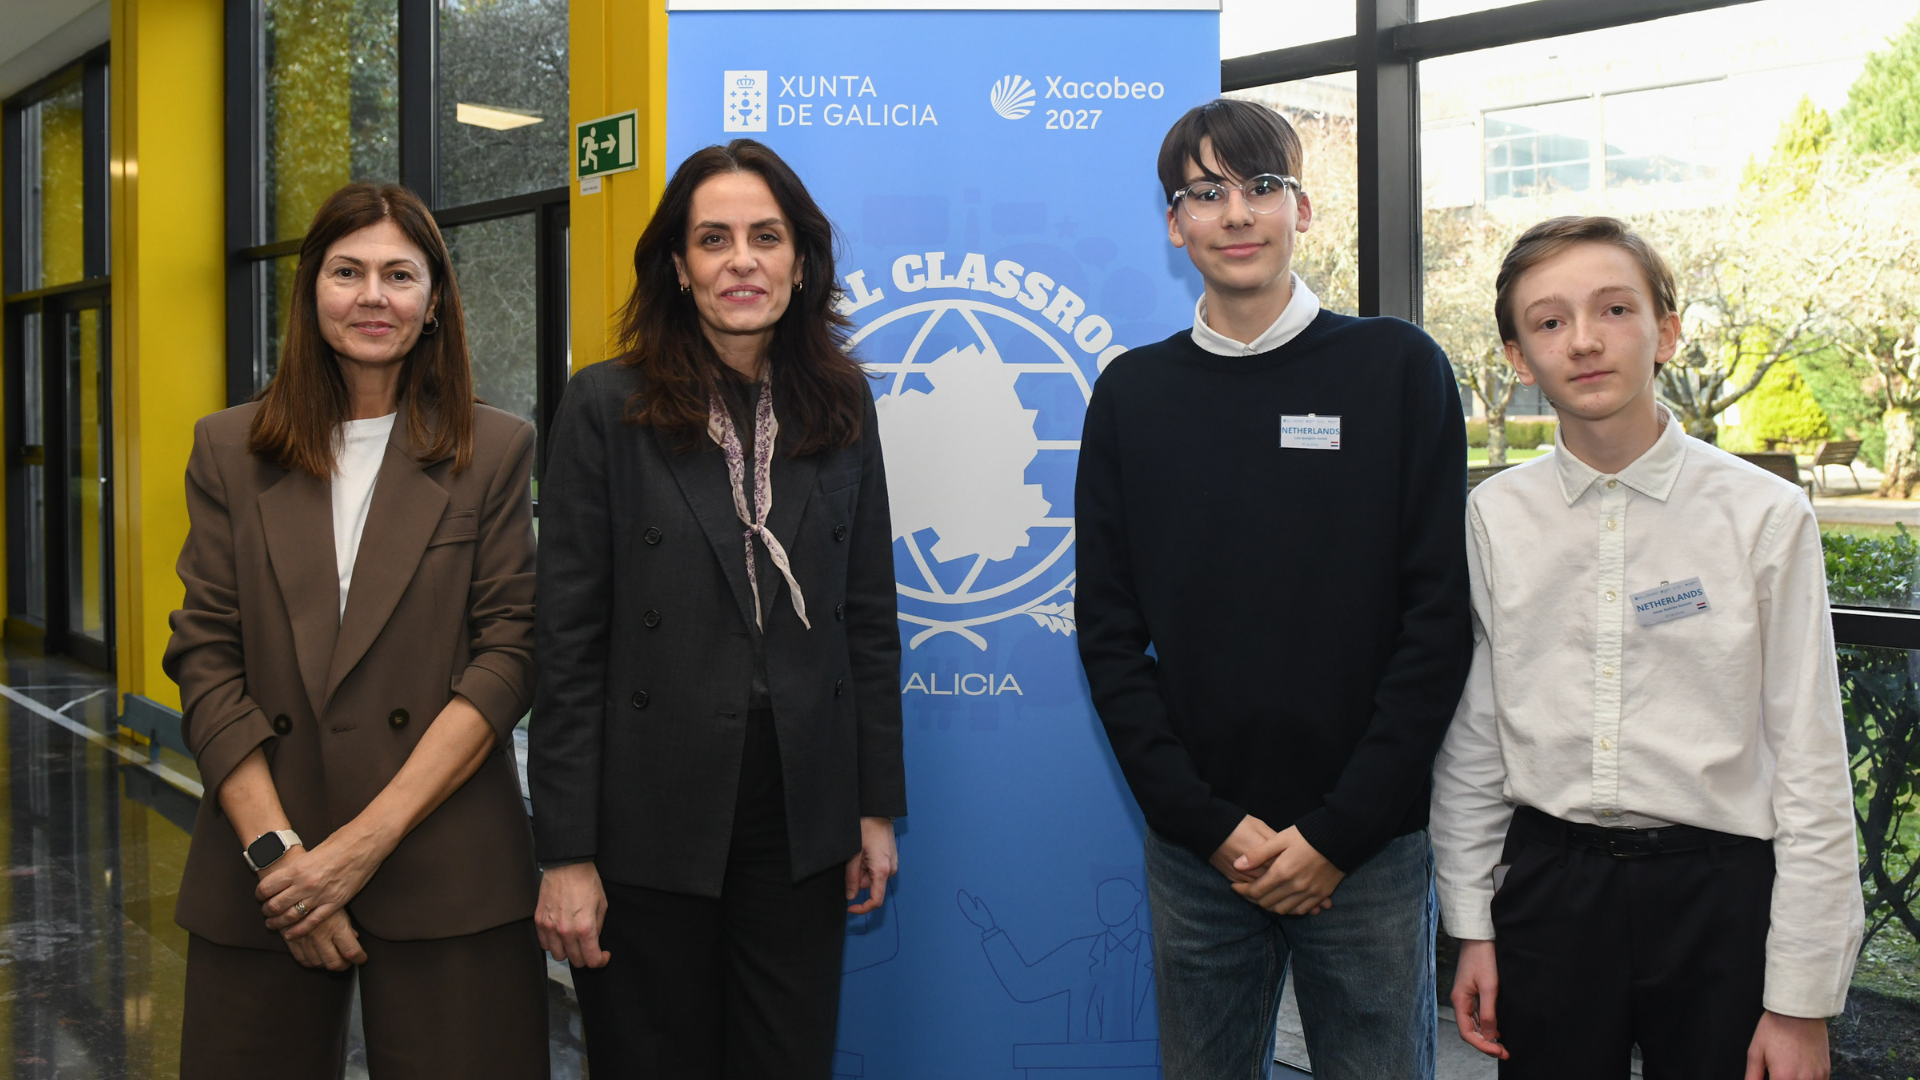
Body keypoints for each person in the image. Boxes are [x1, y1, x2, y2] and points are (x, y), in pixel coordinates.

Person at [1074, 97, 1472, 1079]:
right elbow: (1108, 636)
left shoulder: (1398, 369)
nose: (1236, 213)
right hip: (1200, 854)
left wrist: (1339, 832)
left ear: (1305, 210)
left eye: (1262, 187)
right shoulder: (1131, 395)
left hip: (1369, 850)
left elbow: (1438, 624)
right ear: (1176, 225)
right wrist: (1205, 826)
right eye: (1205, 193)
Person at [1431, 215, 1863, 1080]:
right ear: (1518, 357)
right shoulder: (1496, 516)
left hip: (1720, 894)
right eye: (1549, 322)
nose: (1584, 342)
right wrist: (1471, 922)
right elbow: (1477, 728)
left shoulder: (1762, 515)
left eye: (1615, 310)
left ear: (1666, 330)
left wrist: (1800, 998)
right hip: (1551, 891)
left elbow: (1811, 757)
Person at [530, 137, 905, 1078]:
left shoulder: (843, 405)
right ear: (678, 265)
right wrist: (565, 853)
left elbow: (866, 618)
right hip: (647, 811)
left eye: (766, 237)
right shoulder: (604, 407)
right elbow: (567, 643)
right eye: (714, 239)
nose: (743, 260)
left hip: (799, 807)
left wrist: (872, 809)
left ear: (801, 261)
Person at [163, 182, 546, 1079]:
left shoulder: (493, 450)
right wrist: (285, 859)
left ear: (434, 302)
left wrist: (357, 852)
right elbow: (205, 656)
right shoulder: (229, 449)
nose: (373, 295)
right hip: (265, 869)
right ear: (310, 292)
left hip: (442, 857)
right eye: (348, 271)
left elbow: (507, 657)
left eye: (398, 274)